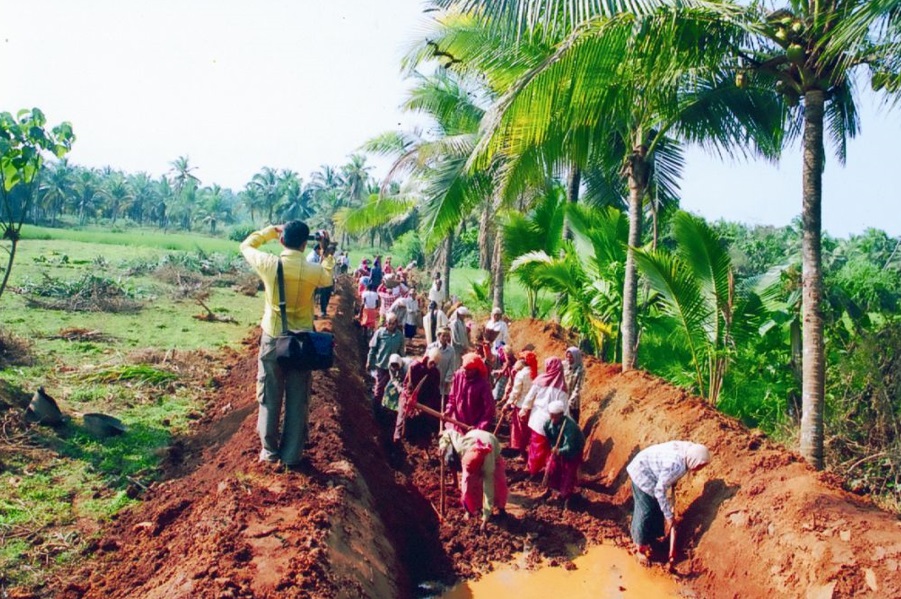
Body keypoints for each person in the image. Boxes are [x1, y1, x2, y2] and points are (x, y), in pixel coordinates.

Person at [240, 221, 334, 468]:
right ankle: (291, 456)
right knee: (297, 399)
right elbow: (327, 277)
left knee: (269, 395)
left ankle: (269, 452)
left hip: (273, 337)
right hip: (301, 343)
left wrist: (270, 231)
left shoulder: (269, 264)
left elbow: (246, 246)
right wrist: (326, 252)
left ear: (282, 240)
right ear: (305, 244)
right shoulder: (313, 271)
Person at [626, 441, 711, 565]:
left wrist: (671, 481)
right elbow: (659, 490)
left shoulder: (688, 452)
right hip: (642, 473)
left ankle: (651, 539)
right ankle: (639, 547)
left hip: (651, 469)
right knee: (646, 510)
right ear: (694, 461)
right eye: (699, 466)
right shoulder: (676, 466)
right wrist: (669, 517)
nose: (699, 469)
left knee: (657, 507)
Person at [439, 428, 508, 531]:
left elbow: (488, 491)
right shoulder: (461, 445)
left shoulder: (488, 465)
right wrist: (443, 445)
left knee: (498, 483)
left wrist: (485, 518)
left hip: (492, 444)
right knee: (467, 485)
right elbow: (448, 433)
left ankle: (501, 508)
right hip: (472, 437)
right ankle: (469, 509)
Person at [521, 357, 569, 477]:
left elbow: (529, 397)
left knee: (536, 446)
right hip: (553, 422)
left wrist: (524, 409)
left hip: (538, 420)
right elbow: (565, 409)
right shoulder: (562, 387)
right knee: (550, 447)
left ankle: (533, 470)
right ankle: (549, 472)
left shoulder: (540, 380)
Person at [543, 400, 585, 509]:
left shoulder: (570, 427)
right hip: (558, 448)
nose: (552, 419)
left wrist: (559, 451)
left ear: (561, 415)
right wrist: (554, 449)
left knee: (568, 472)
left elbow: (570, 446)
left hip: (573, 450)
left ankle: (566, 496)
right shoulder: (547, 424)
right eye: (551, 416)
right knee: (553, 469)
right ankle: (554, 490)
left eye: (555, 416)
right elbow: (550, 439)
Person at [394, 347, 442, 443]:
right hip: (409, 396)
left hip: (424, 398)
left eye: (435, 364)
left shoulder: (435, 373)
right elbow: (407, 385)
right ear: (427, 358)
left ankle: (428, 435)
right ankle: (397, 437)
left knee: (429, 416)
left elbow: (434, 391)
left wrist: (430, 404)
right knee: (402, 413)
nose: (433, 365)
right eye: (431, 362)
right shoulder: (415, 366)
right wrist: (410, 396)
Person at [444, 353, 495, 434]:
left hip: (473, 425)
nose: (466, 372)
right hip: (456, 423)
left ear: (476, 370)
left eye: (469, 370)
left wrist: (479, 427)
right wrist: (449, 410)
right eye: (465, 369)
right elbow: (452, 396)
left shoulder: (483, 385)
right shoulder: (458, 375)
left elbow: (489, 410)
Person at [366, 313, 405, 416]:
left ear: (396, 323)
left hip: (394, 368)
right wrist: (369, 361)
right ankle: (376, 410)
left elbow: (402, 353)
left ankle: (388, 409)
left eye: (393, 324)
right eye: (389, 323)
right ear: (386, 323)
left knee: (392, 389)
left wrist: (402, 366)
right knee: (379, 388)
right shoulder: (380, 333)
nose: (391, 326)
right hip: (381, 366)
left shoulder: (399, 336)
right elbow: (373, 349)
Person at [503, 351, 537, 458]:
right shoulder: (538, 373)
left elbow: (515, 392)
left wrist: (508, 404)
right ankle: (530, 452)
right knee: (530, 430)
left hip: (521, 406)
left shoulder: (521, 374)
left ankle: (522, 453)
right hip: (534, 407)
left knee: (520, 431)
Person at [427, 327, 456, 408]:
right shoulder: (431, 347)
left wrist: (447, 379)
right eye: (443, 336)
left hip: (444, 380)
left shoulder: (451, 350)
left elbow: (451, 366)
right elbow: (427, 362)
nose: (445, 338)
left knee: (442, 402)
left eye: (447, 336)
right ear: (439, 336)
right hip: (432, 378)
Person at [563, 347, 585, 423]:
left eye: (571, 357)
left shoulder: (580, 370)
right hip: (563, 400)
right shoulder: (565, 366)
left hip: (573, 404)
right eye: (567, 357)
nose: (568, 359)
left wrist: (570, 403)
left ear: (576, 357)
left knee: (573, 423)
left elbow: (578, 388)